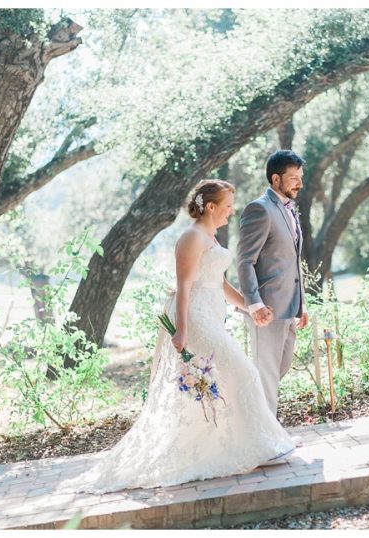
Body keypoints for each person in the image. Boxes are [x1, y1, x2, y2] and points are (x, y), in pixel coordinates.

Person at [60, 180, 294, 494]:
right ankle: (264, 445)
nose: (230, 212)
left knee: (224, 381)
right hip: (195, 317)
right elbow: (184, 286)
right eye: (227, 206)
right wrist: (182, 330)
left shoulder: (210, 235)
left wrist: (251, 307)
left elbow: (219, 283)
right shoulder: (190, 237)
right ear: (210, 206)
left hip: (212, 314)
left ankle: (240, 445)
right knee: (244, 371)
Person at [237, 150, 309, 417]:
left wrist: (302, 303)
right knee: (267, 375)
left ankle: (258, 428)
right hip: (265, 309)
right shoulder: (259, 209)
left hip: (289, 306)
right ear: (276, 179)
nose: (299, 184)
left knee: (279, 370)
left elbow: (290, 262)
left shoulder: (289, 208)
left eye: (300, 177)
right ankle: (270, 441)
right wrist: (254, 303)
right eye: (293, 178)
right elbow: (244, 260)